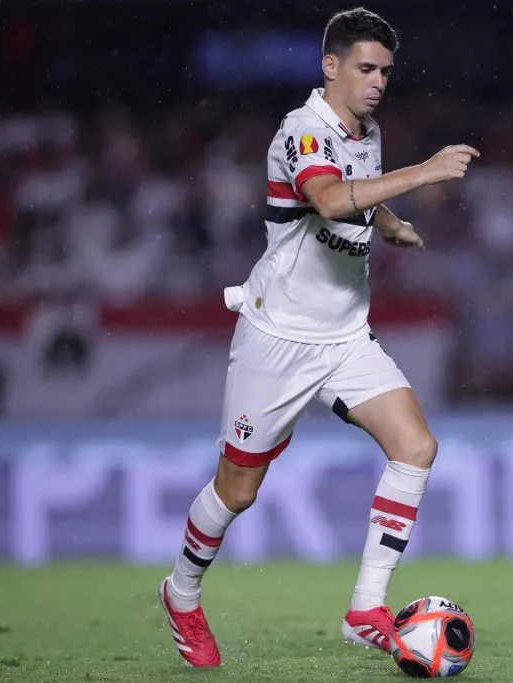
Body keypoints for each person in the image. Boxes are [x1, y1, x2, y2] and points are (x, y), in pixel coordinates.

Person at [156, 6, 480, 668]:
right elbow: (330, 199)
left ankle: (366, 607)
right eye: (365, 68)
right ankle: (181, 590)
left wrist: (386, 220)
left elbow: (355, 193)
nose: (378, 81)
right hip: (276, 337)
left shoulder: (366, 131)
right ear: (329, 66)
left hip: (343, 337)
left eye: (386, 71)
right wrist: (423, 174)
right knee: (237, 491)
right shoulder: (302, 131)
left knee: (415, 445)